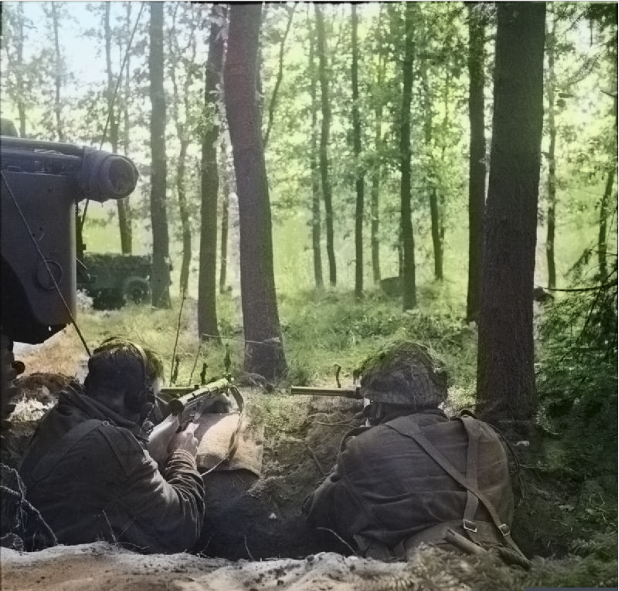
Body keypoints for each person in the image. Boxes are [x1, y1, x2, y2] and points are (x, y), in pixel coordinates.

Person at [303, 341, 527, 565]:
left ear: (378, 406)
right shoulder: (483, 434)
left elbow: (315, 513)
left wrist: (357, 449)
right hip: (505, 564)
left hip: (425, 574)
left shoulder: (365, 447)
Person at [18, 338, 207, 554]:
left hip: (30, 544)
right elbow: (184, 526)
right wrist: (183, 455)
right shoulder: (114, 445)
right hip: (56, 567)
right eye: (149, 399)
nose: (150, 407)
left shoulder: (61, 413)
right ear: (137, 399)